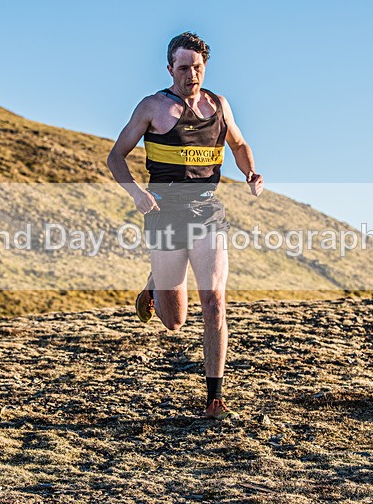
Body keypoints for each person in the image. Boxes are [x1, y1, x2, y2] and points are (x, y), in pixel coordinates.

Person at [106, 32, 264, 420]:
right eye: (183, 67)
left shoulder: (219, 106)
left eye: (197, 67)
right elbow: (116, 158)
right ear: (169, 69)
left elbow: (240, 145)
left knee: (214, 303)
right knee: (175, 321)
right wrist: (137, 195)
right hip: (164, 213)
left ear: (204, 67)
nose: (191, 74)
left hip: (208, 212)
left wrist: (251, 173)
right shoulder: (152, 107)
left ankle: (215, 398)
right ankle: (155, 285)